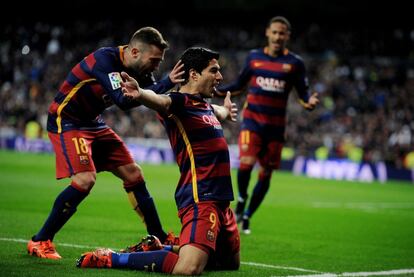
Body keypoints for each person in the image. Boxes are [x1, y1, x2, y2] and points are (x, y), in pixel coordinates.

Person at [76, 47, 240, 275]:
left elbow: (218, 112)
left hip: (222, 202)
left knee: (229, 264)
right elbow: (161, 101)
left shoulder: (205, 107)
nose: (220, 77)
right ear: (194, 75)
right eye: (214, 71)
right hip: (201, 198)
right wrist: (141, 93)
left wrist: (226, 110)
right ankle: (112, 258)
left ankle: (157, 247)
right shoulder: (178, 103)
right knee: (188, 269)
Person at [27, 27, 184, 259]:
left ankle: (157, 237)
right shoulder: (105, 60)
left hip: (92, 122)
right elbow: (124, 100)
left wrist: (168, 90)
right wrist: (167, 81)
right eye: (154, 60)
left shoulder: (140, 70)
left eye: (159, 61)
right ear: (134, 52)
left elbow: (149, 95)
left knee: (134, 174)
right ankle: (40, 241)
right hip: (68, 120)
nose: (156, 66)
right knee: (85, 179)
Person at [216, 16, 319, 234]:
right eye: (274, 32)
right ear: (267, 33)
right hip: (252, 122)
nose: (277, 37)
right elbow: (238, 86)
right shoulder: (253, 58)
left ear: (287, 36)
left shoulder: (294, 63)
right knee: (245, 163)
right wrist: (216, 90)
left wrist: (308, 101)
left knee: (266, 174)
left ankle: (247, 215)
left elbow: (303, 92)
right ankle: (242, 198)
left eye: (282, 33)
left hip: (275, 128)